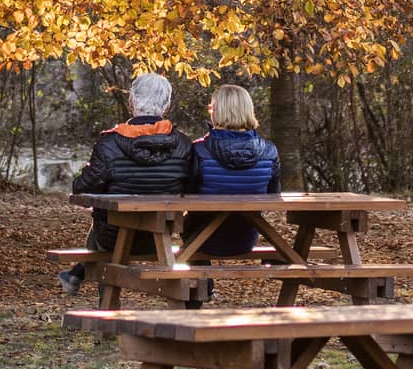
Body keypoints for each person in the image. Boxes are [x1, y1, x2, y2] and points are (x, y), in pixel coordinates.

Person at [58, 73, 193, 294]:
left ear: (131, 102)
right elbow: (192, 188)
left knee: (102, 224)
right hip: (160, 238)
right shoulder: (184, 145)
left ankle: (93, 293)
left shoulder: (109, 143)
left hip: (113, 237)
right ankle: (75, 275)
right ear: (167, 106)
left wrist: (87, 170)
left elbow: (82, 189)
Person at [185, 83, 281, 260]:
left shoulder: (198, 150)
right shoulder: (269, 151)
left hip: (201, 240)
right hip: (245, 238)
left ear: (216, 111)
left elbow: (186, 195)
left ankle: (203, 287)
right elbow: (273, 196)